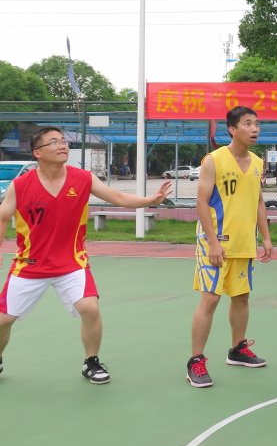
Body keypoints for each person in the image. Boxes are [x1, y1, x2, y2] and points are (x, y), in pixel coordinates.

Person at [0, 126, 171, 384]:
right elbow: (3, 217)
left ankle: (91, 362)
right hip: (29, 264)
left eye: (64, 141)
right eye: (54, 142)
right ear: (38, 153)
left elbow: (117, 196)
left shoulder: (83, 178)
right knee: (3, 320)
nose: (62, 145)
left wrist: (150, 200)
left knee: (90, 308)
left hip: (72, 263)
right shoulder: (21, 185)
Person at [186, 106, 273, 388]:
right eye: (248, 123)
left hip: (244, 242)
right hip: (215, 242)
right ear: (232, 130)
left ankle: (237, 349)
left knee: (241, 297)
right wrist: (212, 241)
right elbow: (201, 202)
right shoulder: (213, 160)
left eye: (257, 123)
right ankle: (195, 361)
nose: (255, 128)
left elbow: (258, 201)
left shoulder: (258, 162)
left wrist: (266, 237)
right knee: (211, 299)